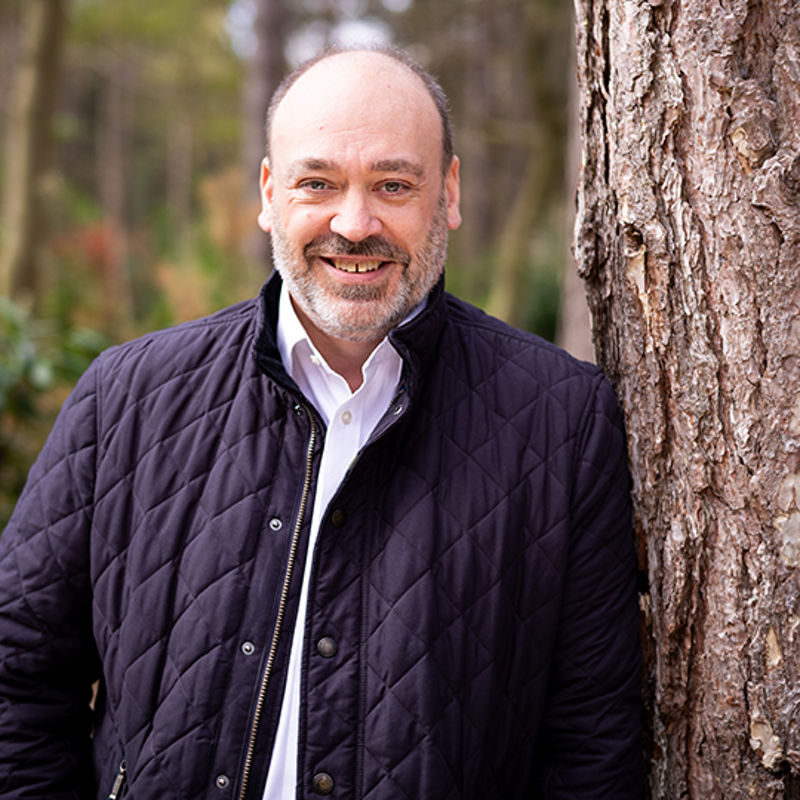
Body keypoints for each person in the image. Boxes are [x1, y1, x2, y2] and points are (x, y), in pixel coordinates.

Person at [0, 45, 642, 799]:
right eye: (318, 183)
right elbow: (17, 678)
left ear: (449, 193)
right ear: (270, 193)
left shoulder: (560, 421)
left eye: (393, 184)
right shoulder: (125, 399)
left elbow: (591, 747)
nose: (355, 223)